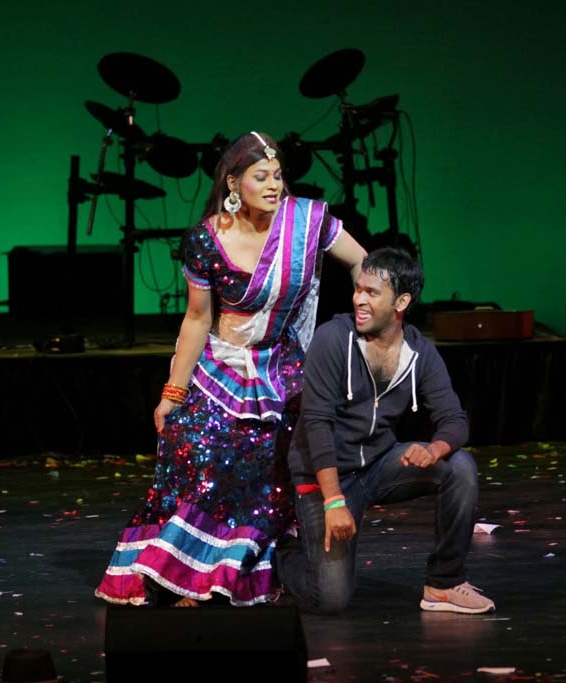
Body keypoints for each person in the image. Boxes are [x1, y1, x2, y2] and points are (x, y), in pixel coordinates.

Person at [95, 131, 367, 607]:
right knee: (198, 448)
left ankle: (242, 568)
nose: (274, 185)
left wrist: (361, 329)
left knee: (277, 461)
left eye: (278, 175)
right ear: (233, 183)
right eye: (261, 177)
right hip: (222, 368)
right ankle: (188, 573)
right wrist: (173, 392)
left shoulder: (306, 222)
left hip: (282, 370)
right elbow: (197, 319)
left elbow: (363, 263)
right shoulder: (206, 240)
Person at [276, 247, 495, 615]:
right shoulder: (333, 338)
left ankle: (443, 584)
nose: (359, 299)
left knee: (459, 467)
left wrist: (435, 449)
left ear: (401, 302)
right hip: (324, 477)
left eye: (372, 293)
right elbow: (317, 423)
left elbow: (455, 420)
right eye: (358, 289)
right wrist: (334, 501)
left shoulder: (419, 352)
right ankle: (281, 552)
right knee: (329, 599)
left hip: (377, 465)